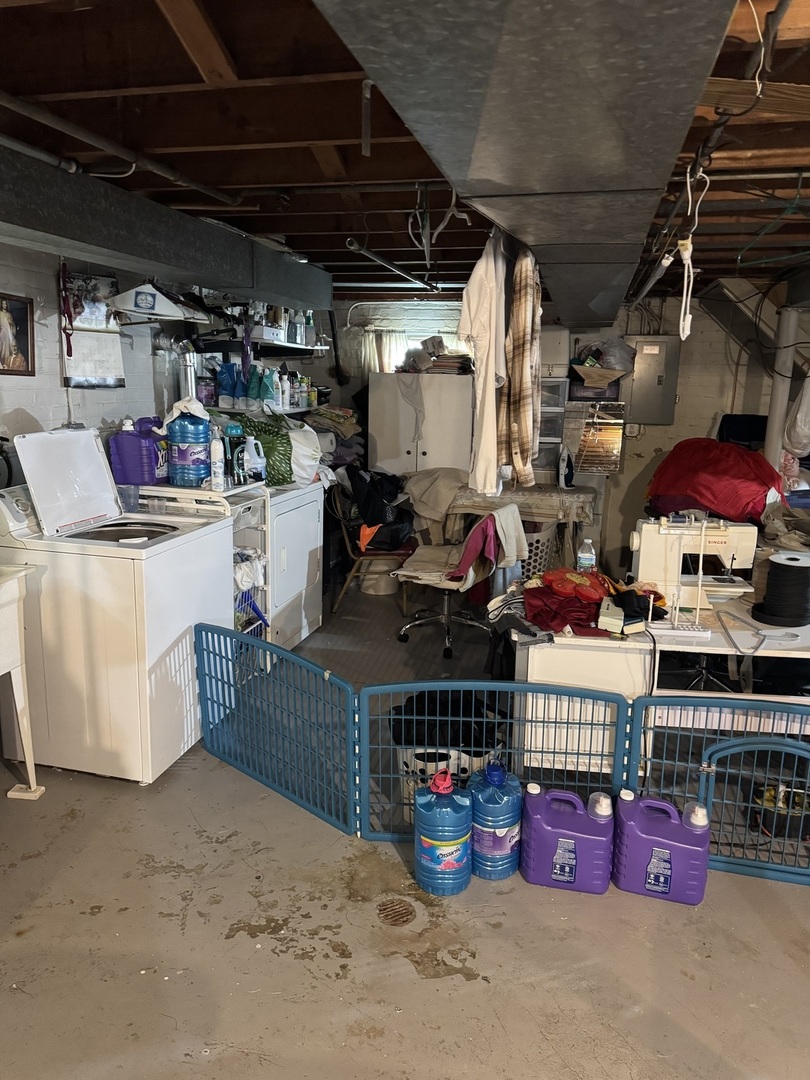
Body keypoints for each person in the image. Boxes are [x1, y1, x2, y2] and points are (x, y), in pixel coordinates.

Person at [0, 299, 18, 368]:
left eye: (5, 304)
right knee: (2, 349)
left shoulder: (9, 314)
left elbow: (12, 326)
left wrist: (11, 324)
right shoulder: (0, 313)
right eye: (3, 304)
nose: (4, 305)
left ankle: (7, 364)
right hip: (2, 334)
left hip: (8, 334)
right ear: (1, 304)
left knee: (9, 349)